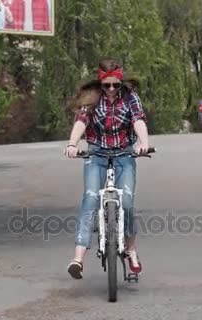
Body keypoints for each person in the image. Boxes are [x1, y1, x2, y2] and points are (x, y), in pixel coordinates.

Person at [64, 58, 150, 280]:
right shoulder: (91, 98)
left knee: (128, 201)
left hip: (124, 154)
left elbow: (138, 120)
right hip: (96, 154)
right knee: (91, 198)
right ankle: (78, 259)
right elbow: (82, 121)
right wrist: (73, 144)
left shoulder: (131, 98)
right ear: (100, 83)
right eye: (106, 85)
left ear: (121, 82)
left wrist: (143, 143)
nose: (111, 90)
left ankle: (131, 249)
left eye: (115, 85)